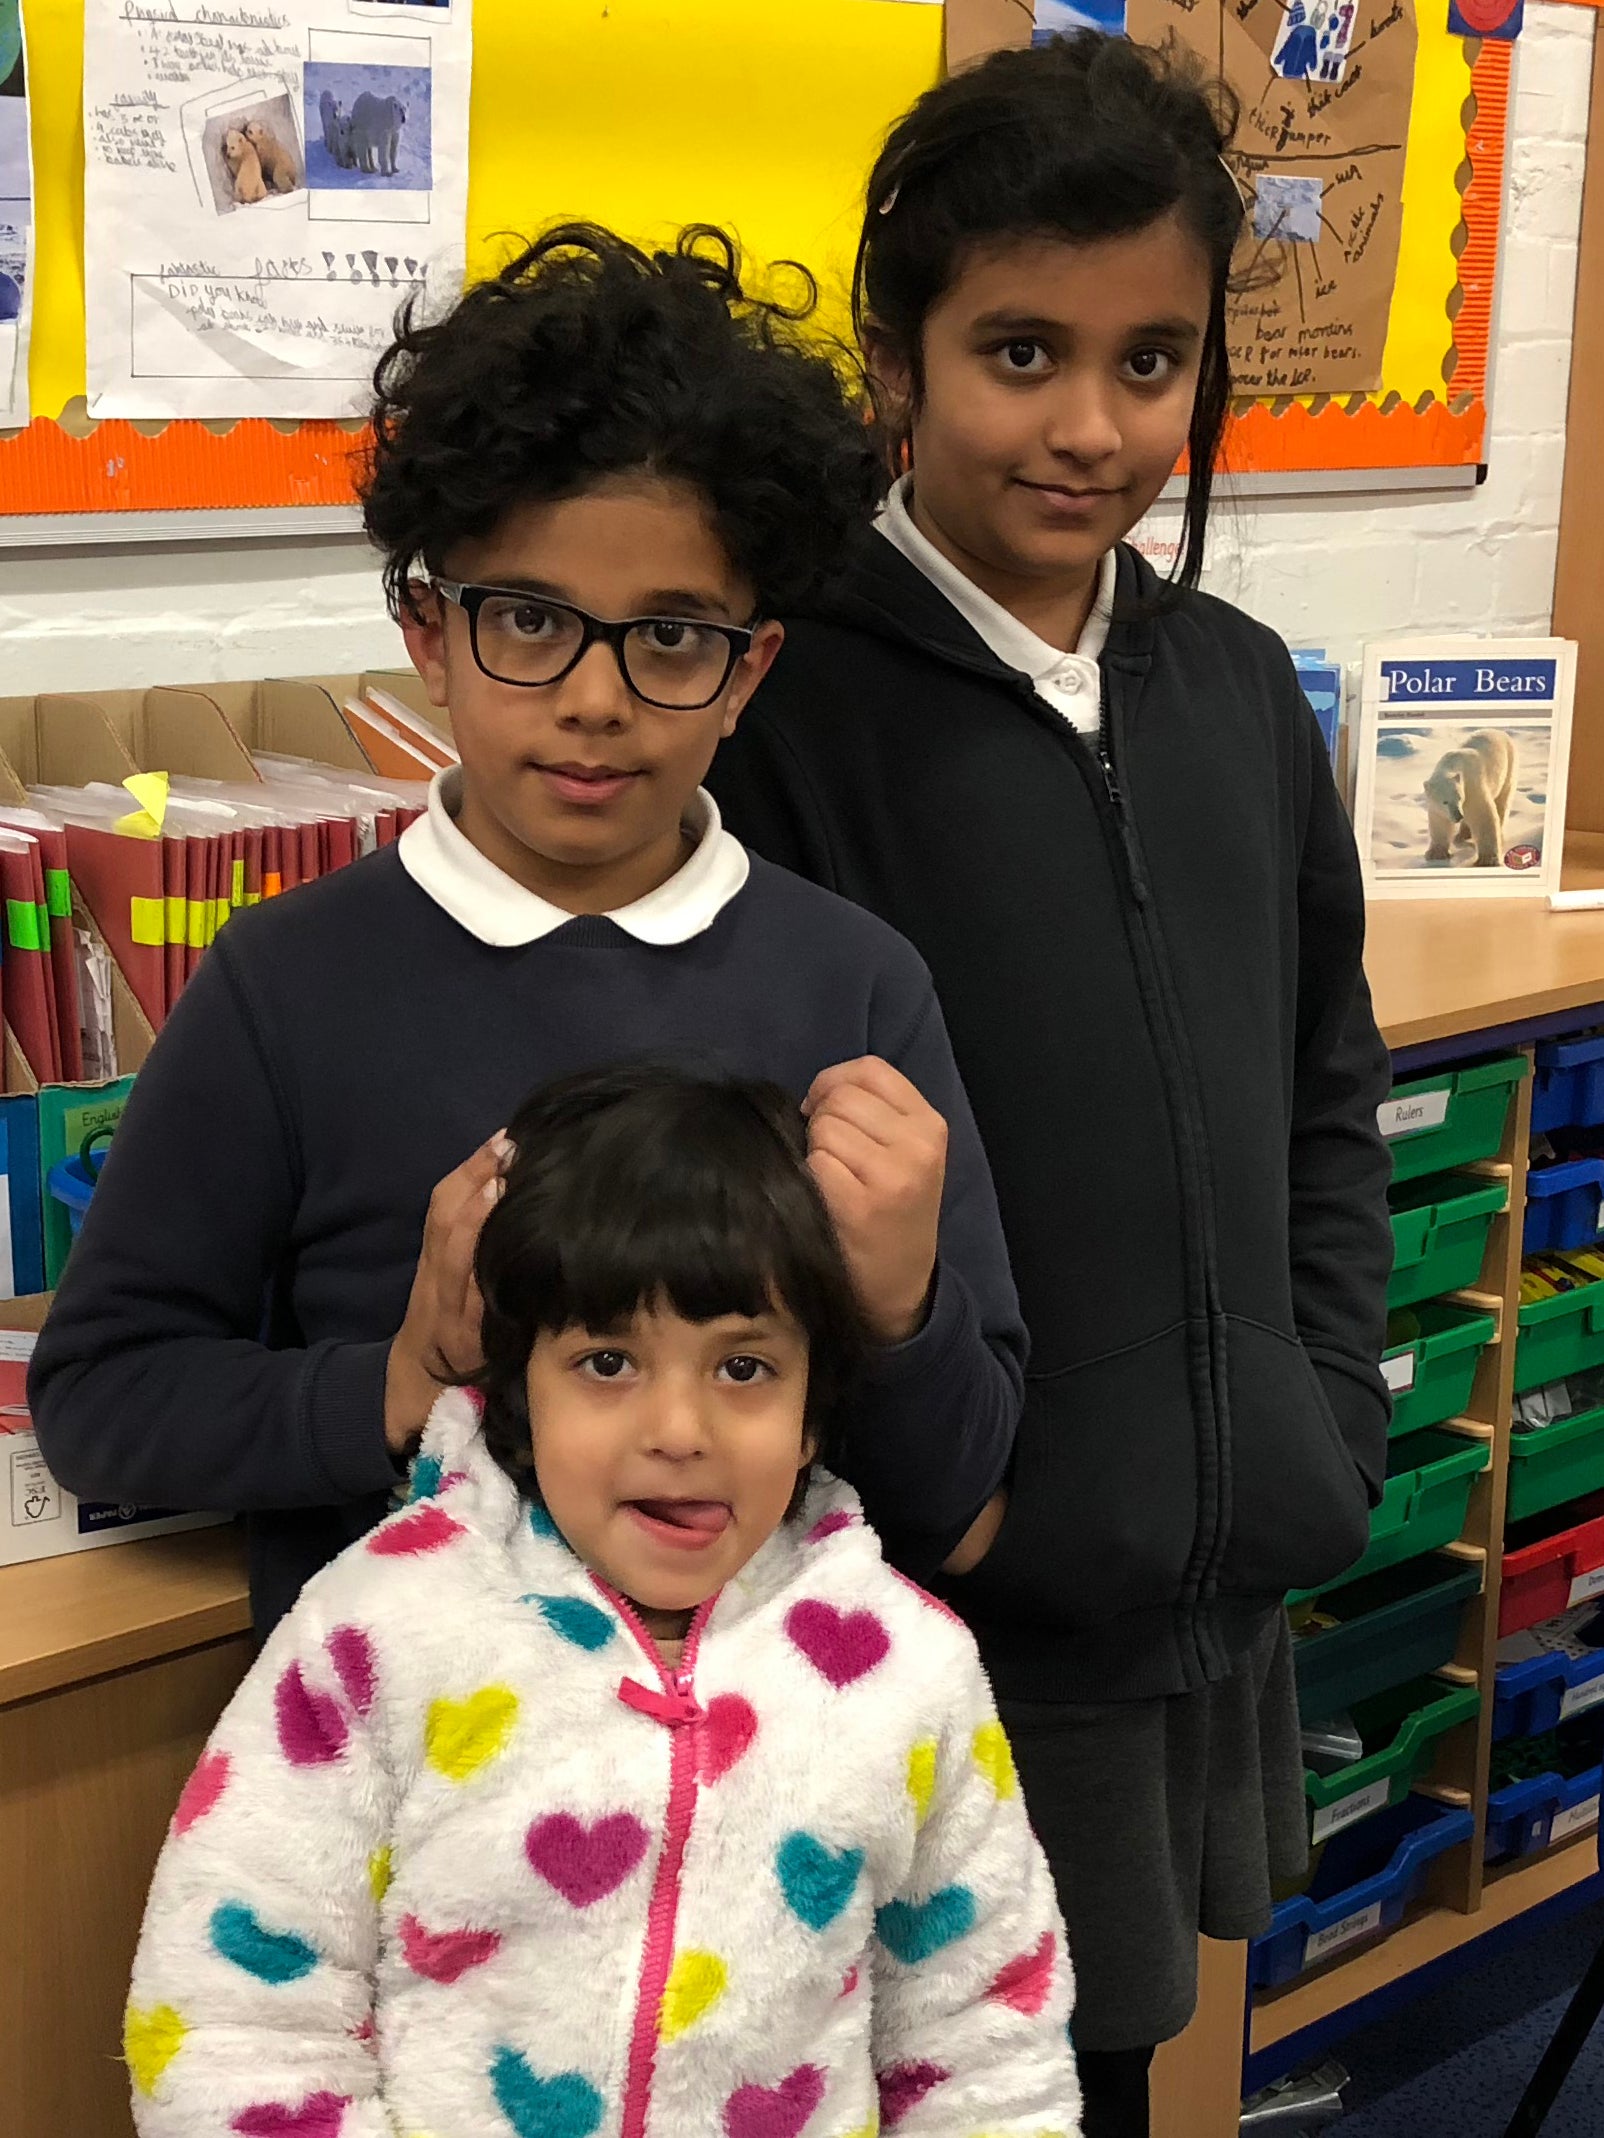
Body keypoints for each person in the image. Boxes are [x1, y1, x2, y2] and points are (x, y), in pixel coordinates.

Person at [708, 33, 1393, 2138]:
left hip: (1199, 1556)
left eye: (1151, 360)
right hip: (943, 1589)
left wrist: (1326, 1404)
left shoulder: (1227, 695)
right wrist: (965, 1492)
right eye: (1020, 350)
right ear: (893, 357)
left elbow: (1321, 1091)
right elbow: (760, 1193)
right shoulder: (783, 706)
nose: (1091, 425)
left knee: (1100, 2058)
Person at [29, 226, 1026, 1643]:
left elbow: (963, 1496)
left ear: (751, 671)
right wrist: (405, 1372)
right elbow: (106, 1398)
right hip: (419, 1790)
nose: (596, 699)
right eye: (530, 622)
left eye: (671, 637)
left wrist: (904, 1306)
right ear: (428, 634)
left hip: (779, 1801)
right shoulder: (287, 984)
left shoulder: (855, 984)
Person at [122, 1066, 1081, 2138]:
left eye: (746, 1366)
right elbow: (229, 2022)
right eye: (608, 1360)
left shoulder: (907, 1671)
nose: (678, 1427)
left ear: (816, 1409)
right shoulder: (374, 1633)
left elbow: (986, 2045)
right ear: (517, 1382)